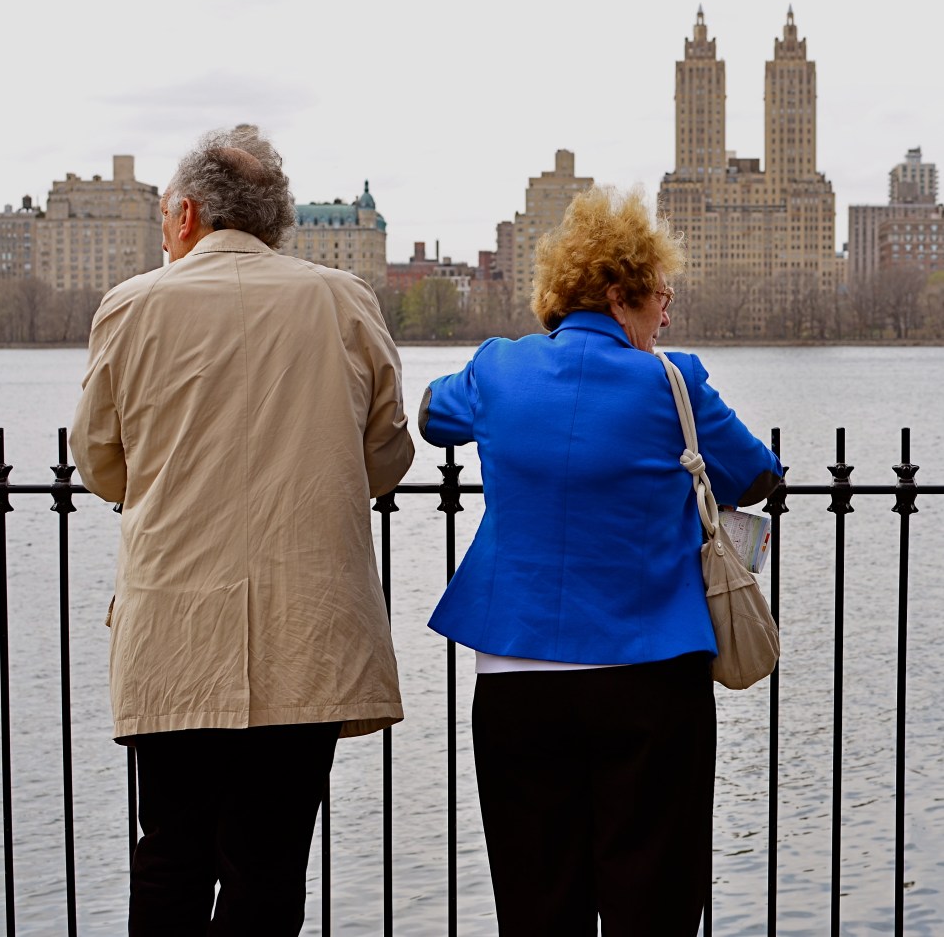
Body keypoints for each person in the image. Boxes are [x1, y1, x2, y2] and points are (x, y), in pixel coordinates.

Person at [69, 125, 414, 937]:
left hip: (177, 629)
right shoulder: (343, 300)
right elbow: (389, 452)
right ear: (275, 224)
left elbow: (98, 461)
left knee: (171, 856)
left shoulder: (132, 307)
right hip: (309, 629)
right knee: (270, 864)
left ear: (186, 214)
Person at [419, 185, 783, 936]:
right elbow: (758, 474)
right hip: (650, 679)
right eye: (659, 294)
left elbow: (431, 415)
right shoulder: (673, 380)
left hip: (517, 682)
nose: (667, 312)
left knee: (537, 904)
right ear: (620, 296)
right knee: (654, 902)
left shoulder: (498, 368)